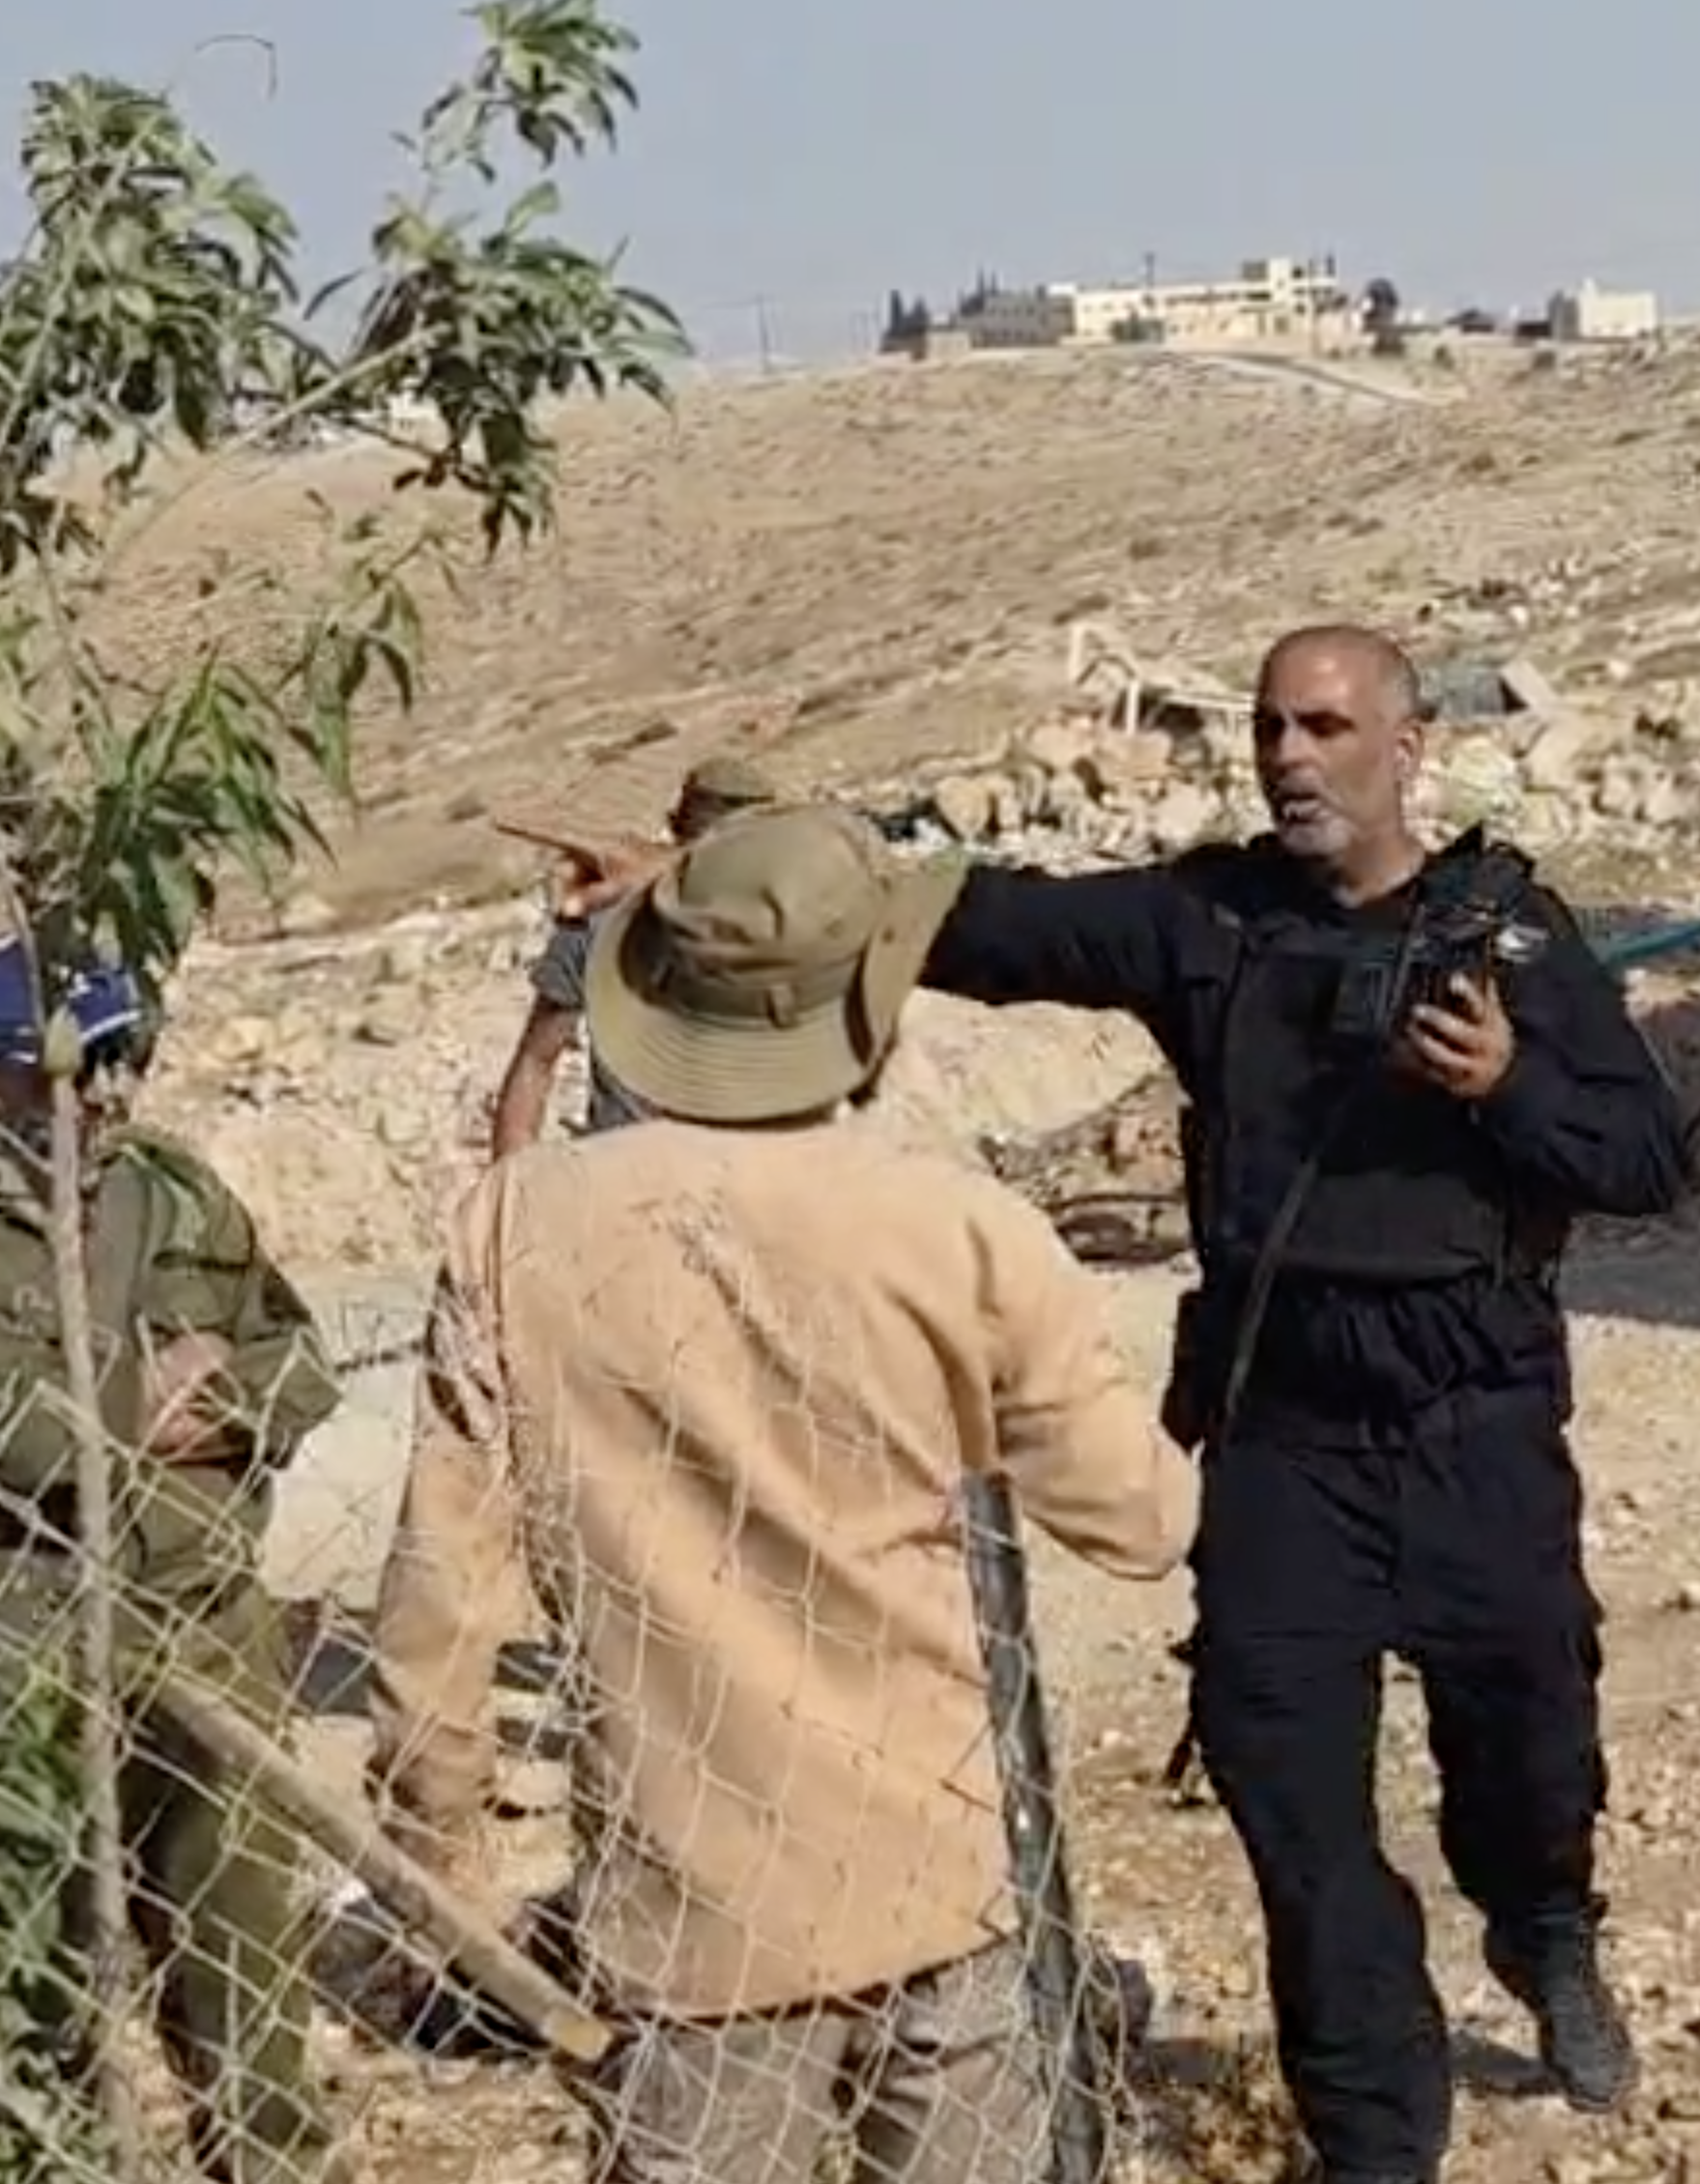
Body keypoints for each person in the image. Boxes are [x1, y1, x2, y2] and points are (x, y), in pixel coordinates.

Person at [916, 622, 1689, 2184]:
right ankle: (1377, 2139)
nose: (1287, 755)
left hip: (1474, 1425)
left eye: (1325, 726)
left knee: (1528, 1755)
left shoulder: (1506, 932)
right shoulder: (1207, 921)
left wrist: (1506, 1086)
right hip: (1283, 1440)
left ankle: (1544, 1929)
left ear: (1406, 747)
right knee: (1298, 1825)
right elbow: (998, 928)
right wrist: (747, 880)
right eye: (1269, 725)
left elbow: (1648, 1157)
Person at [365, 799, 1200, 2184]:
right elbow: (1140, 1519)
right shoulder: (959, 1230)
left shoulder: (516, 1227)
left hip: (692, 1903)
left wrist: (434, 1846)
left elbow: (443, 1592)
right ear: (868, 1007)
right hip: (941, 1867)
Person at [0, 937, 351, 2184]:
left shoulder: (172, 1192)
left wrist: (200, 1401)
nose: (103, 1092)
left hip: (207, 1617)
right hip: (20, 1648)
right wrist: (150, 1399)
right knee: (35, 1962)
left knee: (243, 1943)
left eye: (126, 1055)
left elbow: (298, 1364)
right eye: (56, 1069)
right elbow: (14, 1436)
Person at [484, 753, 782, 1157]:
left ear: (676, 825)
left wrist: (512, 1180)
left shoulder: (598, 921)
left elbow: (535, 1063)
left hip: (640, 1164)